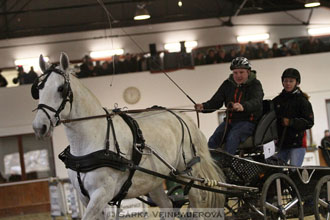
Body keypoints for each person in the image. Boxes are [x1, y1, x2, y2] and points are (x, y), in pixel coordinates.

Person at [195, 57, 264, 154]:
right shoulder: (227, 84)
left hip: (248, 122)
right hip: (230, 121)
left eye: (241, 72)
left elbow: (256, 101)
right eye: (235, 73)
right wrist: (204, 107)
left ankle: (228, 163)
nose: (238, 75)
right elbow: (216, 101)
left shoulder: (255, 84)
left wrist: (243, 106)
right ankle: (210, 164)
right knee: (213, 139)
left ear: (248, 72)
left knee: (233, 136)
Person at [273, 68, 314, 166]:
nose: (288, 83)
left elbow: (309, 122)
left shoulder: (303, 101)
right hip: (281, 144)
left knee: (294, 171)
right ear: (282, 82)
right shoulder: (276, 101)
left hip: (297, 144)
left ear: (297, 82)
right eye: (285, 81)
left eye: (291, 81)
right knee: (274, 170)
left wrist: (291, 122)